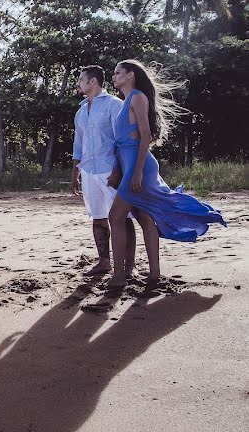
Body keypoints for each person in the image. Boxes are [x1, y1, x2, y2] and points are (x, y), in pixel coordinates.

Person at [107, 60, 227, 289]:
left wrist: (137, 173)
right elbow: (121, 144)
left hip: (139, 168)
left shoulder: (137, 97)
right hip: (129, 167)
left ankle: (120, 275)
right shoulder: (125, 102)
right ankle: (153, 274)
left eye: (117, 72)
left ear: (130, 75)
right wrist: (117, 172)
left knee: (115, 216)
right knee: (144, 217)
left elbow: (146, 136)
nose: (114, 76)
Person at [72, 65, 136, 276]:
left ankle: (129, 266)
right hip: (89, 171)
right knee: (98, 217)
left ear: (93, 82)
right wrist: (75, 173)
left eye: (81, 79)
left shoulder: (114, 105)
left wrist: (119, 170)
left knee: (123, 217)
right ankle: (104, 262)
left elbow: (122, 141)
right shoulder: (81, 111)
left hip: (110, 170)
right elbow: (78, 144)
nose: (79, 83)